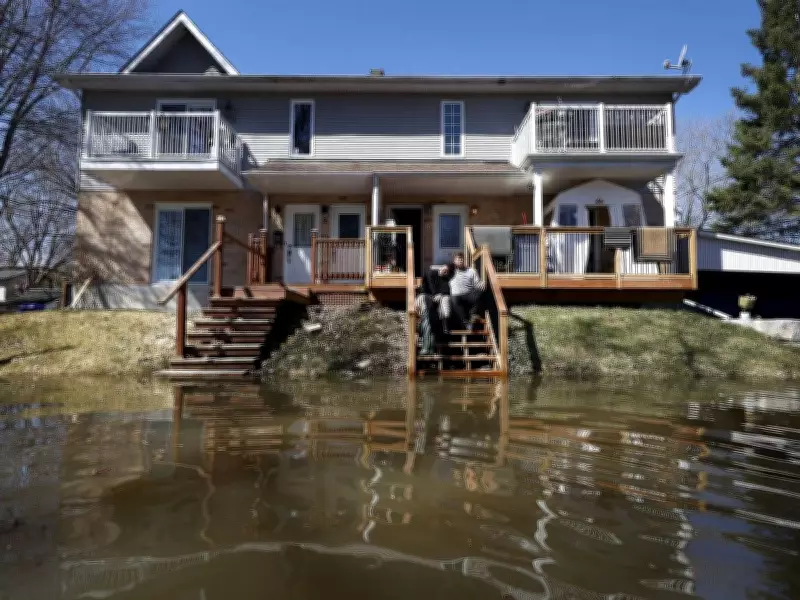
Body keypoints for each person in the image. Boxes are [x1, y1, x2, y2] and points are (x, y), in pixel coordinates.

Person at [415, 263, 453, 355]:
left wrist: (440, 295)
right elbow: (425, 288)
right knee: (422, 298)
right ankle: (428, 348)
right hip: (429, 297)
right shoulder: (431, 274)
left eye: (447, 271)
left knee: (428, 321)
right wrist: (434, 295)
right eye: (444, 268)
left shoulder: (446, 280)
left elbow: (447, 291)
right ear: (441, 267)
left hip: (438, 299)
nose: (445, 271)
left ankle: (427, 348)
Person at [448, 252, 486, 330]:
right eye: (458, 259)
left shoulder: (471, 271)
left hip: (468, 294)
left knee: (480, 292)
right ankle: (466, 322)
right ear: (454, 261)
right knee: (454, 299)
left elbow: (477, 284)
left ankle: (473, 314)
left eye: (462, 259)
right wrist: (443, 270)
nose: (460, 261)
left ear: (464, 261)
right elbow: (441, 273)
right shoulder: (451, 271)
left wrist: (482, 284)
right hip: (456, 295)